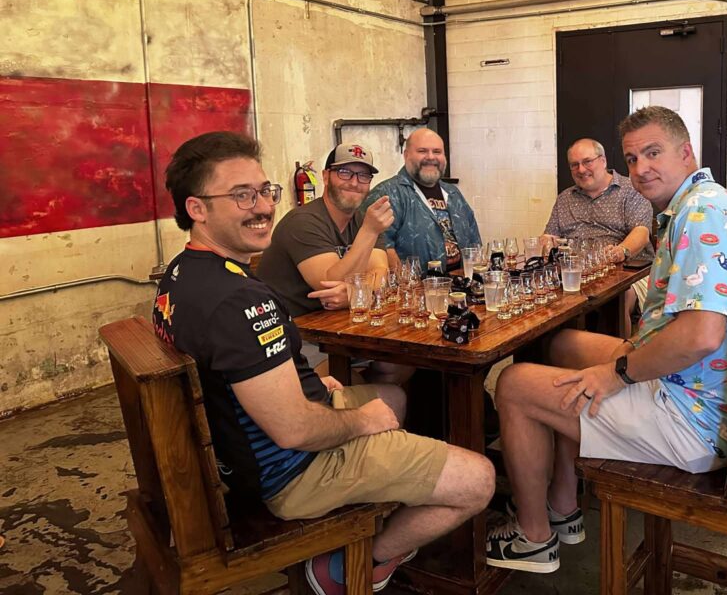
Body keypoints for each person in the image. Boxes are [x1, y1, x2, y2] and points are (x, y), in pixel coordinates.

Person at [153, 131, 494, 595]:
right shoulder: (240, 302)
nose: (263, 207)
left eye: (264, 191)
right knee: (478, 479)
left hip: (238, 445)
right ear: (197, 209)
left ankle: (378, 500)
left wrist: (311, 385)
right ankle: (350, 565)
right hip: (288, 474)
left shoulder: (182, 274)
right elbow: (294, 430)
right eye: (241, 196)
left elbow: (245, 374)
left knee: (393, 393)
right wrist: (361, 421)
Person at [483, 107, 727, 573]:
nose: (641, 169)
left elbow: (700, 334)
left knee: (514, 384)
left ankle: (533, 537)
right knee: (561, 347)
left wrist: (619, 373)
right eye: (633, 158)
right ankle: (562, 504)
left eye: (653, 153)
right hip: (716, 385)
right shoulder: (711, 202)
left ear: (686, 152)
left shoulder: (699, 216)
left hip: (695, 418)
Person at [259, 144, 409, 383]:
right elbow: (329, 284)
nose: (354, 182)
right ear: (326, 176)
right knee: (353, 383)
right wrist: (369, 232)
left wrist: (354, 294)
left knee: (401, 366)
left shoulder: (363, 218)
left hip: (345, 330)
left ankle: (380, 406)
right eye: (345, 173)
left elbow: (381, 274)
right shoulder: (303, 222)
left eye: (363, 175)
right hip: (295, 337)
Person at [542, 137, 654, 334]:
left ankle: (618, 360)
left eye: (587, 162)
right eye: (574, 165)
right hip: (575, 273)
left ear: (603, 161)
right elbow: (550, 235)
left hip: (627, 272)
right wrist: (545, 242)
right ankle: (553, 356)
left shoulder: (631, 191)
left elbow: (641, 232)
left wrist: (621, 251)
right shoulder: (565, 198)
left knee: (618, 299)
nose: (581, 169)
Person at [363, 128, 482, 273]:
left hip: (462, 288)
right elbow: (381, 248)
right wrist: (410, 285)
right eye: (422, 151)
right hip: (418, 291)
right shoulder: (386, 194)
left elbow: (474, 242)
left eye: (437, 152)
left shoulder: (453, 193)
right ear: (406, 155)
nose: (431, 157)